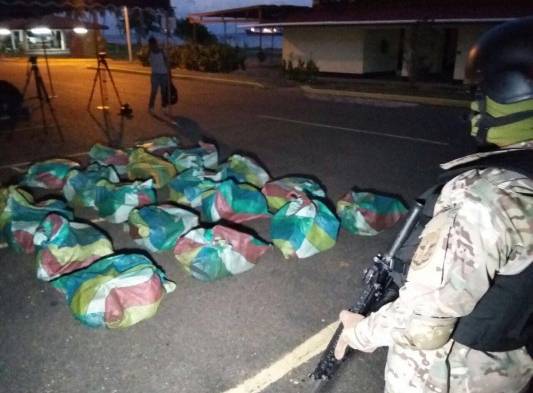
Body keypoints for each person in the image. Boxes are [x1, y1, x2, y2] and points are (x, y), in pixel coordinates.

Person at [334, 17, 533, 393]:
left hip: (450, 378)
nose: (475, 104)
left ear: (515, 90)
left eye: (483, 91)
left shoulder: (484, 195)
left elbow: (423, 324)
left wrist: (360, 332)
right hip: (509, 370)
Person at [147, 36, 170, 114]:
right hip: (155, 75)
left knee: (163, 92)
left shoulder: (162, 52)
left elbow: (167, 62)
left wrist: (169, 74)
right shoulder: (150, 53)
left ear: (156, 43)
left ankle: (164, 106)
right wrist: (149, 52)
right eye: (150, 45)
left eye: (153, 44)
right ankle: (151, 107)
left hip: (163, 74)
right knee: (154, 92)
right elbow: (149, 62)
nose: (152, 46)